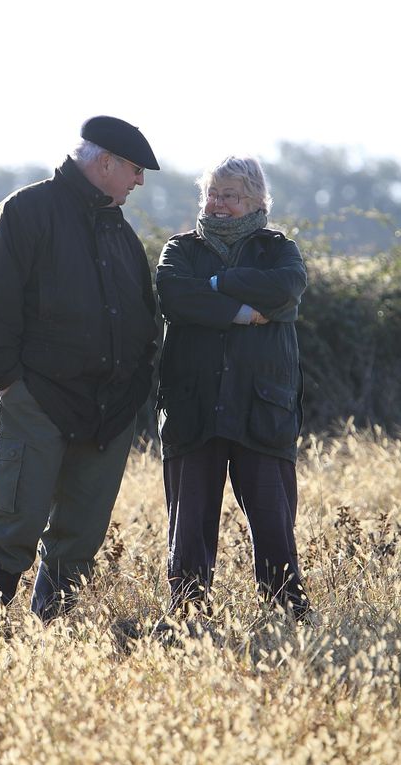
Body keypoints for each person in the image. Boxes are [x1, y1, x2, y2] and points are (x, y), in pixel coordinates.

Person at [0, 115, 159, 624]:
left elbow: (144, 310)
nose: (139, 181)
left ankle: (52, 639)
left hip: (111, 408)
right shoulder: (24, 212)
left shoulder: (118, 228)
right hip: (40, 398)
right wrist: (11, 383)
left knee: (81, 533)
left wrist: (136, 383)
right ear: (105, 162)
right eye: (135, 170)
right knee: (15, 522)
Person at [156, 155, 310, 620]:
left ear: (258, 200)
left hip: (263, 407)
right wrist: (244, 310)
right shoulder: (180, 249)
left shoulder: (278, 250)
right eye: (213, 194)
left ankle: (287, 615)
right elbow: (173, 295)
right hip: (192, 407)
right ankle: (187, 618)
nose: (218, 204)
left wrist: (218, 283)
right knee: (189, 526)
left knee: (273, 522)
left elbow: (287, 287)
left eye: (231, 196)